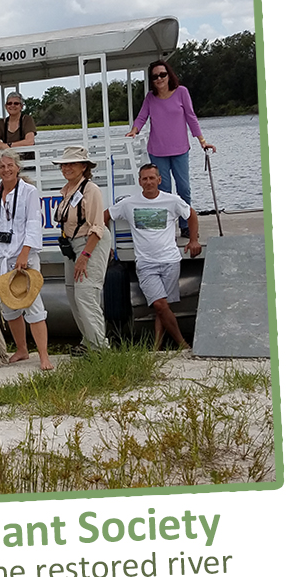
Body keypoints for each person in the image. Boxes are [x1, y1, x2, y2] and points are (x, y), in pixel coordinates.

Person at [0, 149, 53, 370]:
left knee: (33, 305)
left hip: (21, 255)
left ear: (17, 167)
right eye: (2, 167)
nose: (6, 170)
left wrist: (25, 253)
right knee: (9, 306)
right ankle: (22, 349)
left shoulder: (29, 192)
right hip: (0, 256)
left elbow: (34, 224)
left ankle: (44, 355)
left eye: (10, 165)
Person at [105, 163, 202, 350]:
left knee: (163, 306)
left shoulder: (172, 200)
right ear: (140, 182)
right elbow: (105, 215)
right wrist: (107, 244)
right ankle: (182, 344)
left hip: (170, 260)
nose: (148, 182)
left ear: (159, 180)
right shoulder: (128, 203)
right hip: (146, 263)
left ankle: (157, 347)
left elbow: (191, 215)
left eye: (152, 178)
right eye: (145, 179)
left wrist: (193, 240)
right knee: (159, 304)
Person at [126, 59, 216, 237]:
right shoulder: (150, 98)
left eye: (162, 74)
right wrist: (134, 131)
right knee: (164, 190)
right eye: (155, 76)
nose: (159, 78)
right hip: (158, 151)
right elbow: (142, 117)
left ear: (169, 75)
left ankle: (185, 226)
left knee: (184, 188)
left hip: (180, 149)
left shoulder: (181, 92)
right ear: (151, 80)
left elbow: (191, 117)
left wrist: (202, 141)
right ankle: (166, 227)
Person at [51, 145, 112, 355]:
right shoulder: (68, 189)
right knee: (72, 293)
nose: (66, 168)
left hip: (90, 243)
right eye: (64, 164)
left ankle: (100, 348)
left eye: (71, 163)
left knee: (86, 294)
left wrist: (85, 255)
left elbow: (98, 226)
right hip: (72, 245)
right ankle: (88, 341)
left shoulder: (90, 189)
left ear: (84, 166)